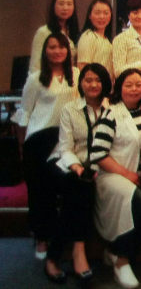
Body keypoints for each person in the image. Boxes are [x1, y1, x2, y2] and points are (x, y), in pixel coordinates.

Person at [12, 33, 80, 261]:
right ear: (45, 51)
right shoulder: (35, 78)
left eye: (61, 47)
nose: (57, 51)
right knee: (39, 191)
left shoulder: (76, 75)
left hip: (65, 138)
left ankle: (64, 237)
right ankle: (41, 237)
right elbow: (25, 112)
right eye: (52, 47)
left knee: (64, 186)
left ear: (68, 51)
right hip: (39, 140)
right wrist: (22, 145)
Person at [44, 63, 112, 285]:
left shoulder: (112, 110)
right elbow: (65, 148)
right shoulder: (70, 109)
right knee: (78, 185)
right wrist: (77, 167)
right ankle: (79, 251)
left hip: (95, 165)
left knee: (79, 190)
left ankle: (53, 257)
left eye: (98, 80)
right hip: (65, 163)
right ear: (81, 83)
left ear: (105, 83)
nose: (93, 85)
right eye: (88, 80)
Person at [90, 69, 141, 289]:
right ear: (119, 89)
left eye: (138, 84)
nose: (134, 89)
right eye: (128, 85)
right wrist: (127, 175)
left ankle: (114, 252)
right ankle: (121, 260)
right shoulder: (111, 114)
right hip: (112, 176)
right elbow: (98, 154)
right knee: (137, 200)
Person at [29, 0, 79, 73]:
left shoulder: (73, 32)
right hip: (48, 78)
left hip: (68, 78)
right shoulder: (44, 32)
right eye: (61, 4)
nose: (65, 8)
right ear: (53, 7)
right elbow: (35, 65)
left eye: (69, 4)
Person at [77, 0, 114, 78]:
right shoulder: (88, 36)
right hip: (94, 84)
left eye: (106, 13)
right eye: (97, 13)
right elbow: (82, 67)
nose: (102, 17)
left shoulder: (107, 39)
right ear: (89, 15)